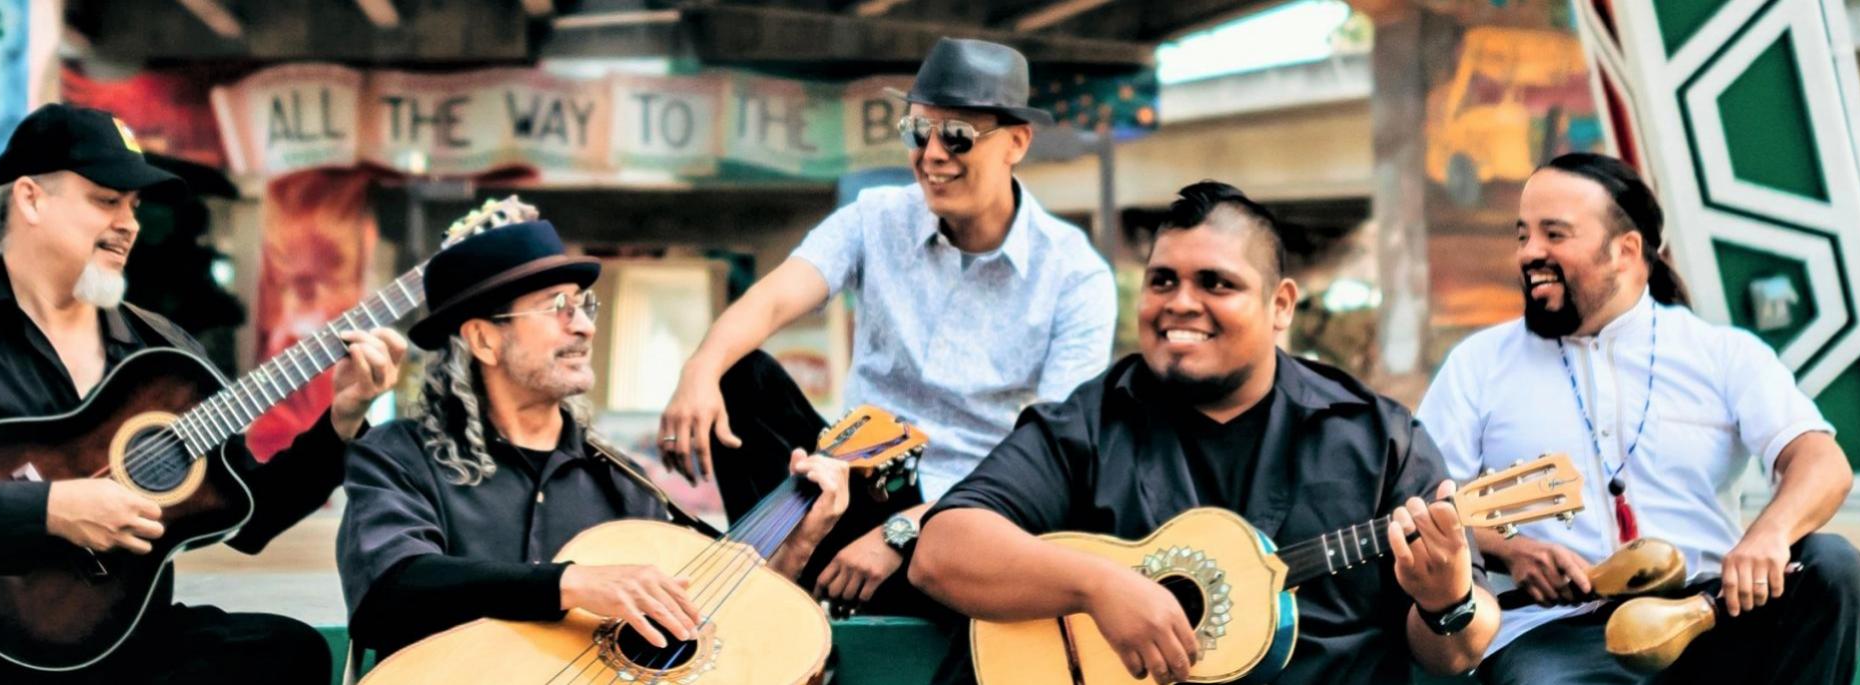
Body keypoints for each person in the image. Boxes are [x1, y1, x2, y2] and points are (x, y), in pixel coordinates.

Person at [0, 104, 409, 684]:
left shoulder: (164, 354)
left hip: (123, 651)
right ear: (30, 199)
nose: (129, 223)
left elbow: (250, 514)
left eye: (133, 205)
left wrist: (342, 420)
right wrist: (48, 511)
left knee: (287, 651)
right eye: (106, 200)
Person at [911, 181, 1498, 684]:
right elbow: (941, 553)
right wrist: (1095, 587)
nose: (1180, 303)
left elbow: (1456, 652)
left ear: (1281, 305)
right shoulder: (1091, 423)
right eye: (1162, 281)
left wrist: (1447, 601)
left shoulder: (1378, 438)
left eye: (1216, 284)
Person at [657, 37, 1117, 616]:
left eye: (956, 136)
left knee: (1031, 498)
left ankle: (791, 589)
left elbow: (1053, 457)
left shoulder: (1076, 277)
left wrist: (905, 530)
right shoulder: (875, 218)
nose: (931, 155)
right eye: (917, 133)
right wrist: (698, 372)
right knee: (735, 374)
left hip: (971, 519)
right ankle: (772, 584)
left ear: (1016, 143)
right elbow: (773, 301)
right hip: (845, 484)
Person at [1418, 152, 1860, 684]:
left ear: (1626, 251)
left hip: (1708, 616)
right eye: (1523, 236)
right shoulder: (1479, 364)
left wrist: (1767, 535)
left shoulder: (1721, 353)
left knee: (1832, 567)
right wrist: (1512, 551)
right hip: (1555, 635)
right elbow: (1427, 500)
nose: (1530, 253)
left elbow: (1822, 461)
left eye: (1555, 235)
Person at [336, 200, 852, 657]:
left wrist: (797, 546)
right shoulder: (398, 455)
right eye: (556, 307)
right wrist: (572, 584)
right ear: (484, 341)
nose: (583, 325)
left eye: (584, 305)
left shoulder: (623, 483)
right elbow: (388, 591)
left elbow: (712, 618)